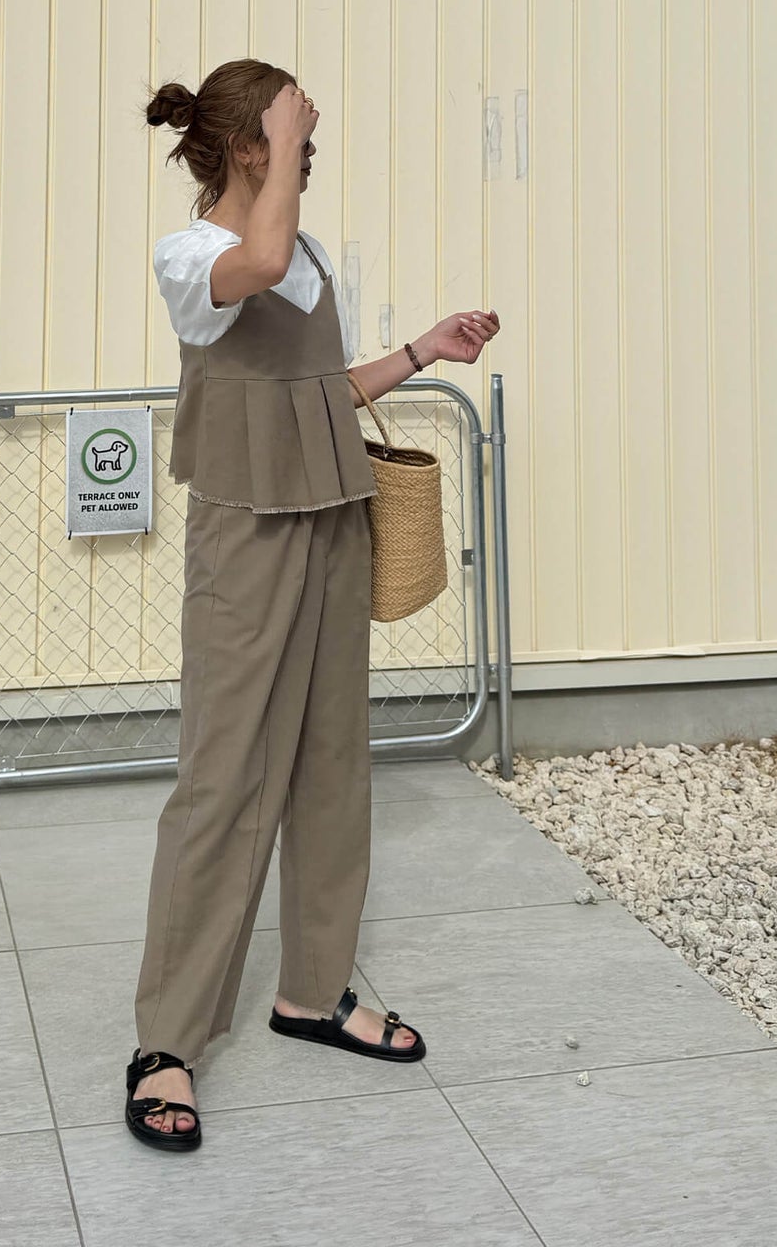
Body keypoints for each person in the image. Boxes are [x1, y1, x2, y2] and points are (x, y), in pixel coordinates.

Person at [126, 59, 500, 1152]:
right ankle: (167, 1041)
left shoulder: (309, 253)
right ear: (251, 146)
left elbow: (316, 395)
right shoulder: (193, 255)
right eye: (296, 133)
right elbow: (258, 258)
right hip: (245, 533)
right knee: (224, 779)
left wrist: (424, 349)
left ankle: (311, 993)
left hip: (334, 516)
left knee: (333, 765)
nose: (312, 147)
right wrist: (283, 145)